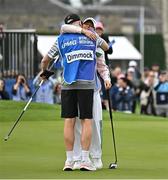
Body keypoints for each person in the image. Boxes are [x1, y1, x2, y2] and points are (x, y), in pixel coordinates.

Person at [40, 14, 110, 171]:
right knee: (86, 121)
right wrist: (93, 36)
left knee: (69, 121)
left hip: (67, 85)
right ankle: (85, 160)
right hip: (86, 84)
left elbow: (45, 60)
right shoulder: (92, 37)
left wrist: (44, 72)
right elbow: (106, 47)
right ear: (79, 23)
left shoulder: (61, 39)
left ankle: (69, 161)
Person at [61, 17, 111, 170]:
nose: (88, 27)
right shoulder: (75, 40)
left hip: (93, 90)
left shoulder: (95, 44)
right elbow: (64, 27)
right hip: (78, 87)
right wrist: (82, 30)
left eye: (91, 26)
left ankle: (96, 157)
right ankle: (77, 158)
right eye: (86, 25)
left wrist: (107, 79)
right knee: (76, 124)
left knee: (93, 123)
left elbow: (102, 66)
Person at [95, 21, 113, 110]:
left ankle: (107, 106)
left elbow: (110, 51)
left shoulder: (105, 37)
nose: (99, 31)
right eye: (97, 29)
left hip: (103, 64)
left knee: (106, 83)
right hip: (94, 65)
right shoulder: (91, 38)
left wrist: (103, 46)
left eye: (100, 29)